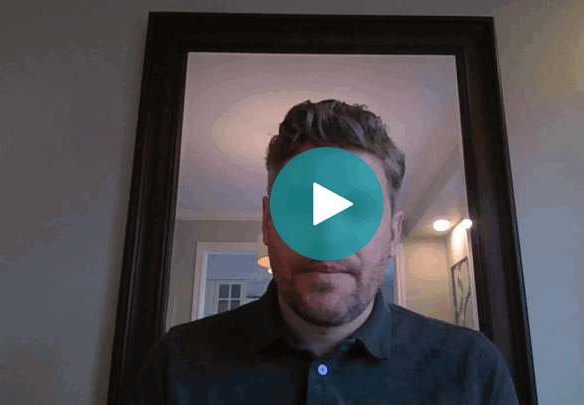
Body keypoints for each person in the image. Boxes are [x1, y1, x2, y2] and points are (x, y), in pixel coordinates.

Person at [127, 99, 520, 404]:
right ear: (268, 223)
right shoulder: (175, 365)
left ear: (393, 233)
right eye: (302, 208)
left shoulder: (473, 370)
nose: (327, 238)